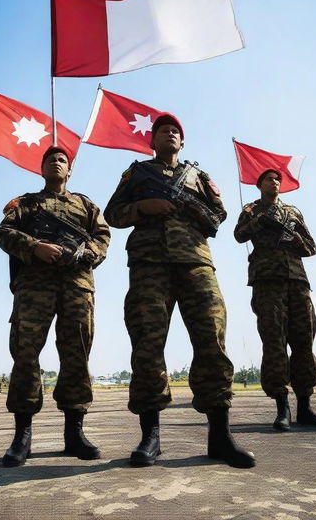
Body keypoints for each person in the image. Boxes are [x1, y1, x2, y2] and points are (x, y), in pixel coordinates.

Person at [104, 114, 255, 468]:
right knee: (147, 343)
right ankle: (150, 437)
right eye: (162, 130)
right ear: (151, 140)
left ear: (182, 143)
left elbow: (218, 215)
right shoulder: (136, 174)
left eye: (176, 131)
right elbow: (113, 213)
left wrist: (195, 211)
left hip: (195, 263)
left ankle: (220, 435)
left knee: (212, 341)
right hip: (149, 264)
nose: (170, 133)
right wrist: (143, 207)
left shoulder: (198, 177)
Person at [0, 146, 110, 467]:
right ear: (41, 168)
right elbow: (3, 233)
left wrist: (85, 253)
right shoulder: (26, 203)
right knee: (25, 353)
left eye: (62, 160)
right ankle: (22, 437)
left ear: (70, 170)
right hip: (34, 284)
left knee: (77, 353)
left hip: (77, 284)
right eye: (51, 159)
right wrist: (36, 248)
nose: (56, 163)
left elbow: (102, 237)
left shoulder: (86, 205)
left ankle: (75, 432)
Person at [234, 169, 316, 432]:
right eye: (268, 179)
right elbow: (239, 235)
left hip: (297, 280)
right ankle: (282, 408)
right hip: (267, 280)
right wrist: (259, 222)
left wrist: (296, 239)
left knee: (304, 341)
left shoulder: (293, 213)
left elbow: (311, 247)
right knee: (274, 341)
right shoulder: (252, 209)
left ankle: (305, 407)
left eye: (277, 179)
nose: (274, 182)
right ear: (260, 184)